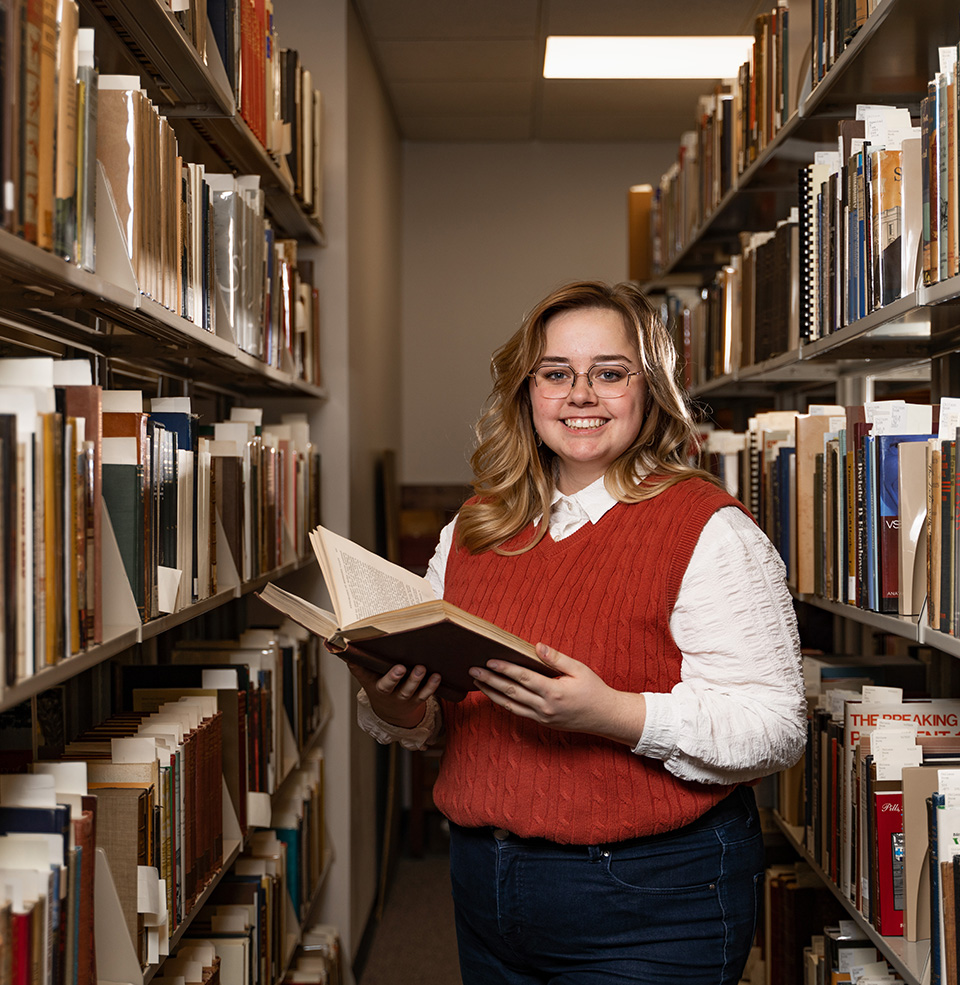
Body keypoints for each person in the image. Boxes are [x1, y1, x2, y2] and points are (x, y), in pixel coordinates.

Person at [350, 280, 806, 985]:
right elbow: (448, 724)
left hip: (650, 903)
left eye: (610, 373)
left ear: (649, 389)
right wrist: (393, 699)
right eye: (556, 373)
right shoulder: (476, 526)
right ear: (526, 392)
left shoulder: (708, 529)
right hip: (485, 886)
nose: (580, 394)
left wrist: (612, 714)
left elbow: (776, 725)